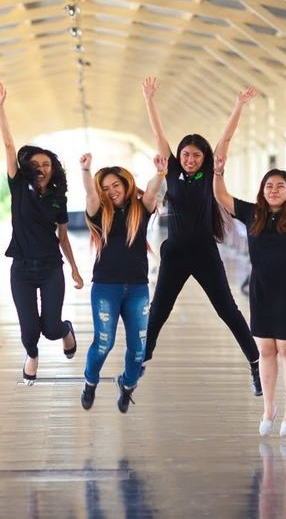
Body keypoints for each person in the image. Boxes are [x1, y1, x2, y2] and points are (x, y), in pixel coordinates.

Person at [141, 77, 262, 395]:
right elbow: (158, 135)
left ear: (203, 158)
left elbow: (226, 138)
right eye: (185, 155)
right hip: (176, 253)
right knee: (159, 309)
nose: (190, 159)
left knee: (228, 310)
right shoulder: (172, 173)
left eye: (195, 155)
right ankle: (142, 355)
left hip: (205, 252)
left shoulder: (211, 174)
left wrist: (238, 105)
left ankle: (255, 363)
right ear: (178, 157)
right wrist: (149, 99)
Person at [215, 159, 286, 435]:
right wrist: (218, 172)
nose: (274, 190)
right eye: (269, 186)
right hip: (261, 289)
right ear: (262, 190)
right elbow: (221, 195)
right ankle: (269, 408)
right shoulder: (252, 213)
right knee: (266, 350)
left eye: (281, 186)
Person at [0, 81, 82, 384]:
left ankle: (66, 330)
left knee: (51, 327)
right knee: (30, 329)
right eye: (36, 163)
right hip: (22, 269)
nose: (41, 167)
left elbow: (64, 237)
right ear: (28, 167)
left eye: (47, 163)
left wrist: (76, 271)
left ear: (53, 169)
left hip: (50, 267)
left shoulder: (58, 198)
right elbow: (8, 147)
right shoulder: (18, 188)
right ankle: (32, 355)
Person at [79, 153, 166, 413]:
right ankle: (90, 381)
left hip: (137, 288)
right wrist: (86, 170)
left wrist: (160, 173)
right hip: (106, 288)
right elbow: (90, 196)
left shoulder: (140, 208)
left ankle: (127, 385)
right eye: (105, 188)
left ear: (126, 184)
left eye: (115, 185)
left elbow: (151, 191)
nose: (111, 191)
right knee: (104, 342)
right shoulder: (98, 212)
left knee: (139, 349)